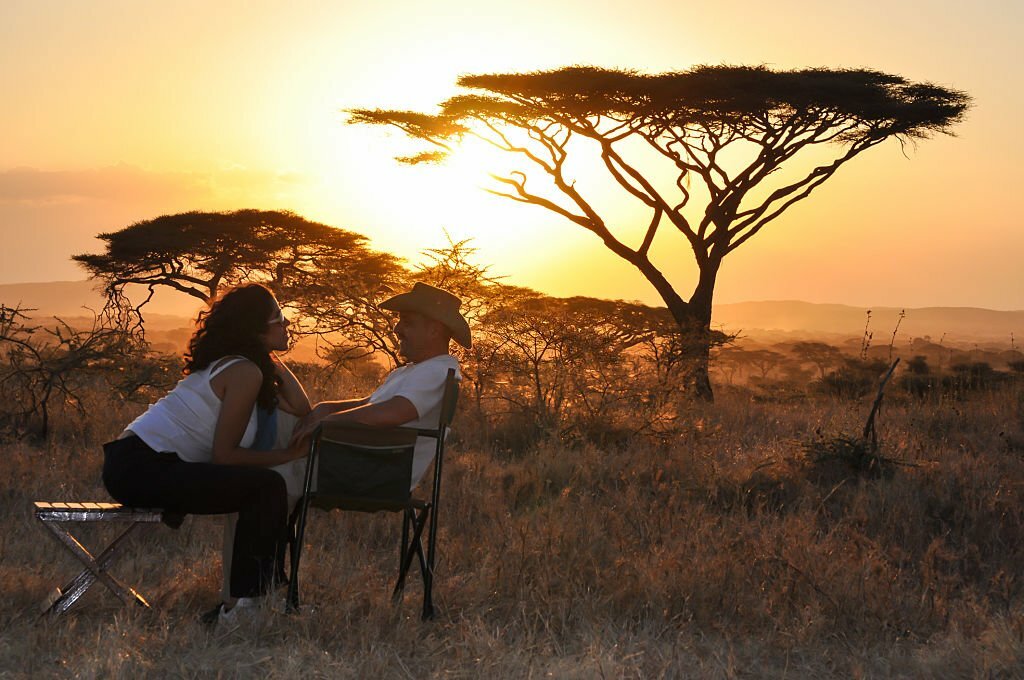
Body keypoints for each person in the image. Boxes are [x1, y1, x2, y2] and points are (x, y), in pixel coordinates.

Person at [101, 283, 310, 621]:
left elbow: (301, 407)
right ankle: (245, 606)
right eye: (279, 318)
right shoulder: (243, 371)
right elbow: (225, 456)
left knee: (265, 487)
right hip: (140, 465)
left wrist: (268, 355)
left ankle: (248, 602)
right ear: (255, 328)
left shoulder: (244, 366)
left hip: (135, 463)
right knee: (268, 486)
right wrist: (288, 455)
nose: (287, 325)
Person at [292, 282, 470, 488]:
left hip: (370, 467)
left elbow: (394, 413)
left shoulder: (437, 370)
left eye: (407, 322)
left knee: (268, 477)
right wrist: (328, 408)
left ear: (434, 331)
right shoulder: (413, 370)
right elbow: (368, 404)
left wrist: (328, 422)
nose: (397, 329)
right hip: (362, 460)